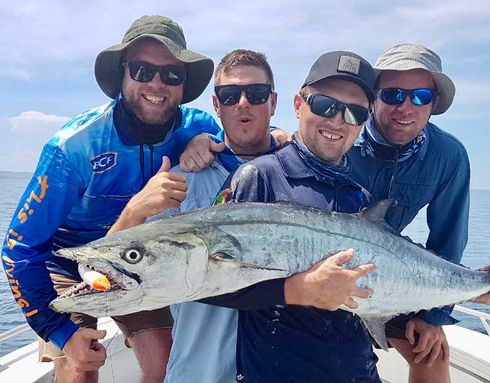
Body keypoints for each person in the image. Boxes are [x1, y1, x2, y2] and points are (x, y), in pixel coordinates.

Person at [1, 15, 222, 383]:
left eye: (171, 75)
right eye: (142, 70)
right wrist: (60, 333)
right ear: (122, 75)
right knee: (79, 367)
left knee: (167, 365)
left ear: (183, 86)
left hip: (137, 265)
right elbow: (19, 249)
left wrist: (213, 142)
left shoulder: (197, 126)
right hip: (67, 265)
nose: (156, 84)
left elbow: (251, 138)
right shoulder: (73, 148)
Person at [209, 50, 381, 382]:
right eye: (324, 106)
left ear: (362, 124)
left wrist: (480, 285)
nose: (336, 120)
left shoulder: (360, 196)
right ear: (298, 105)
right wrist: (295, 289)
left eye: (353, 112)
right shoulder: (256, 178)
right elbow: (210, 283)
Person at [111, 48, 280, 382]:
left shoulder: (301, 177)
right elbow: (114, 267)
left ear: (273, 103)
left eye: (257, 95)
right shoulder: (179, 181)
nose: (243, 103)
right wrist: (134, 210)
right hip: (199, 371)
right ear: (216, 106)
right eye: (230, 96)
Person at [347, 43, 490, 383]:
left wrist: (434, 316)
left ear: (434, 103)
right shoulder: (342, 136)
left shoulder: (448, 155)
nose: (405, 107)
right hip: (329, 278)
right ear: (373, 97)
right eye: (392, 95)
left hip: (396, 284)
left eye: (420, 97)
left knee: (433, 357)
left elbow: (448, 238)